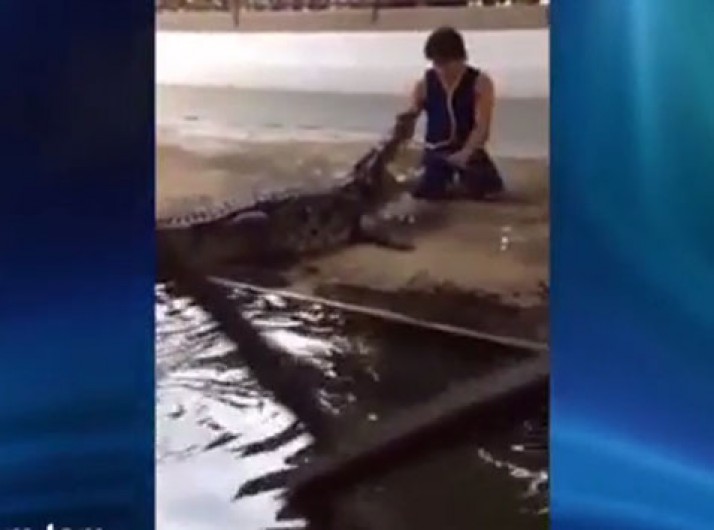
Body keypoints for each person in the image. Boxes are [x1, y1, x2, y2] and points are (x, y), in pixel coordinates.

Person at [402, 26, 504, 200]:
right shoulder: (424, 84)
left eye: (446, 63)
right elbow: (409, 119)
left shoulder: (480, 83)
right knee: (427, 191)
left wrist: (465, 153)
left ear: (461, 58)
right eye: (437, 63)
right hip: (436, 151)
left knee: (487, 189)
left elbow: (482, 127)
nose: (441, 70)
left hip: (467, 149)